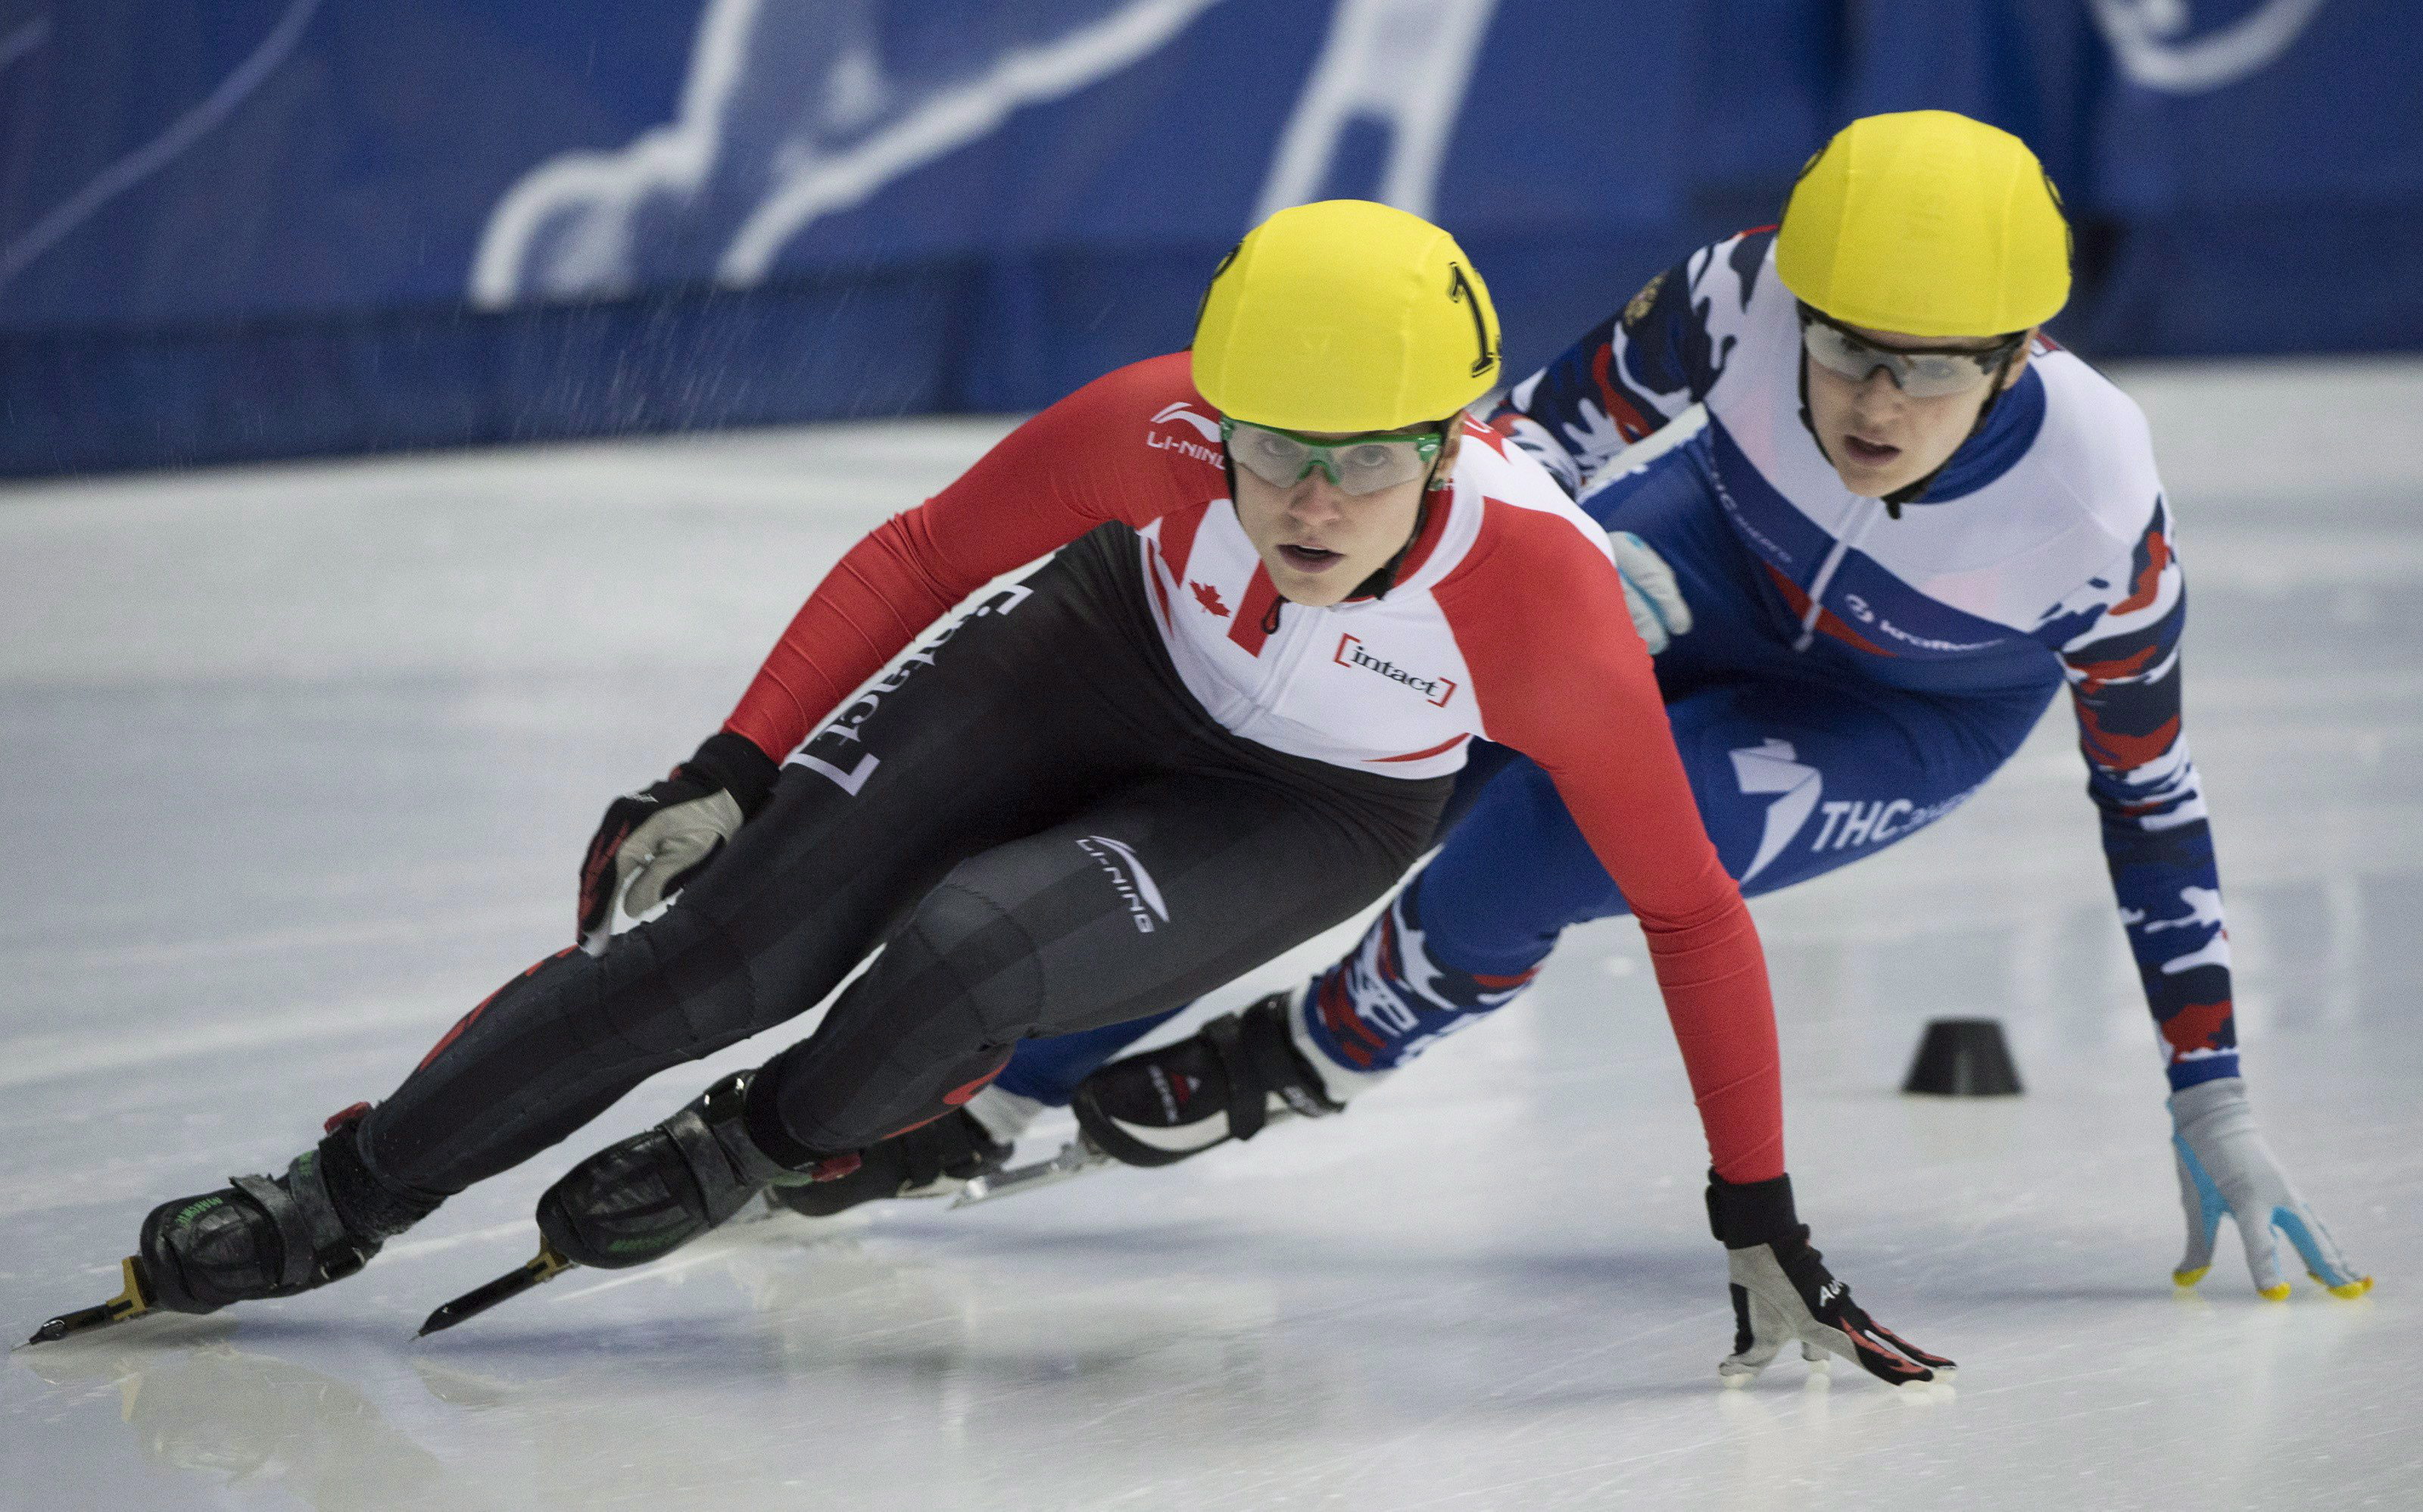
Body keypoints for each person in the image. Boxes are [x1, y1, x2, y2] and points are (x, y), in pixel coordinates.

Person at [91, 201, 1950, 1386]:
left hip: (1310, 805)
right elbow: (918, 556)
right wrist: (732, 766)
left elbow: (1693, 909)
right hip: (1097, 652)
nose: (1306, 501)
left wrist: (1754, 1207)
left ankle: (770, 1144)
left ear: (1449, 445)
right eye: (1271, 453)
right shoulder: (1148, 426)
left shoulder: (1537, 607)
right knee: (714, 949)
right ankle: (337, 1191)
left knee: (963, 957)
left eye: (1361, 466)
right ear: (1212, 414)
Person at [891, 111, 2371, 1306]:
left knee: (1552, 844)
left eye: (1922, 372)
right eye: (1842, 347)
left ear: (2012, 360)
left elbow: (2151, 798)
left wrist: (2210, 1089)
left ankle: (1315, 1049)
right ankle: (1016, 1071)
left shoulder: (2097, 513)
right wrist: (1571, 571)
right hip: (1704, 562)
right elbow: (1515, 445)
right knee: (1390, 721)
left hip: (1896, 710)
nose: (1867, 400)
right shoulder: (1745, 290)